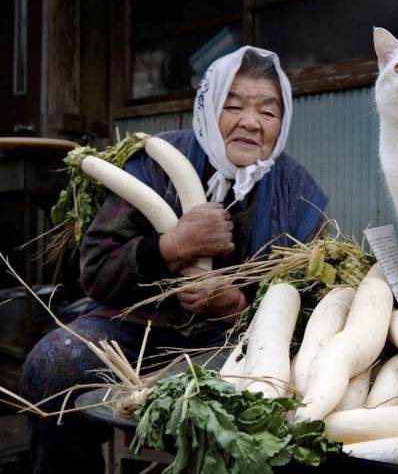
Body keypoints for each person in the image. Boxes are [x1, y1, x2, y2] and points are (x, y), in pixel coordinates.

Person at [20, 46, 327, 473]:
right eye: (232, 105)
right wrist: (172, 247)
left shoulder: (299, 195)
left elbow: (311, 302)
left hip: (234, 343)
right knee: (52, 364)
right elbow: (95, 271)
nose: (250, 123)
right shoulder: (156, 162)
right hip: (133, 328)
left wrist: (237, 302)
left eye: (268, 112)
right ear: (207, 105)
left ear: (284, 121)